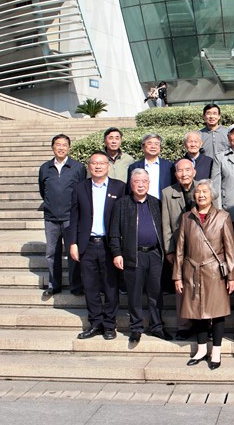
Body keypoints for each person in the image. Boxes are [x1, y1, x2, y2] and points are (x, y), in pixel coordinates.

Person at [174, 179, 234, 370]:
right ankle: (201, 349)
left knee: (216, 313)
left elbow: (230, 249)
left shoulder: (223, 217)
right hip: (191, 270)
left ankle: (216, 351)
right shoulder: (187, 217)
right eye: (198, 192)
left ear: (212, 195)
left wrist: (232, 276)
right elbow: (180, 249)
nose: (201, 195)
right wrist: (177, 275)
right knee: (197, 312)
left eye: (205, 192)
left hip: (215, 272)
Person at [109, 169, 172, 344]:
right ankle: (136, 328)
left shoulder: (156, 203)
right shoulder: (122, 204)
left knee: (155, 293)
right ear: (131, 184)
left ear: (149, 183)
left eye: (144, 181)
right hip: (133, 255)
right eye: (137, 181)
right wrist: (116, 253)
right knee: (134, 293)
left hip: (154, 254)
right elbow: (114, 232)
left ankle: (157, 326)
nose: (141, 185)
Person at [68, 152, 125, 340]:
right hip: (88, 244)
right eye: (94, 163)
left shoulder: (119, 187)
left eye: (102, 163)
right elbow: (74, 218)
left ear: (108, 166)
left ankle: (109, 324)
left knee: (110, 286)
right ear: (89, 166)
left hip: (110, 245)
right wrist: (73, 243)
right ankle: (95, 323)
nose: (98, 166)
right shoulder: (79, 188)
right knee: (90, 286)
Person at [38, 134, 86, 297]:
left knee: (73, 253)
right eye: (58, 144)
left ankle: (76, 285)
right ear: (52, 147)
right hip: (51, 218)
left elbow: (82, 191)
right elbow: (43, 191)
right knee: (52, 253)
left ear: (69, 148)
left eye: (64, 145)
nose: (61, 148)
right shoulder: (45, 168)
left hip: (70, 218)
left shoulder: (78, 167)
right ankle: (54, 285)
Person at [161, 158, 197, 340]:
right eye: (180, 171)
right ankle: (184, 325)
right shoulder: (168, 193)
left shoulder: (203, 188)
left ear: (194, 172)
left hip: (201, 247)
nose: (184, 174)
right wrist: (169, 250)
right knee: (181, 287)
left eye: (187, 170)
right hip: (179, 246)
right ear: (175, 174)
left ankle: (204, 324)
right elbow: (166, 223)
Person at [127, 133, 173, 200]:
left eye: (156, 144)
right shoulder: (134, 167)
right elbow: (130, 189)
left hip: (164, 203)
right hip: (141, 203)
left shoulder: (169, 166)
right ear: (143, 147)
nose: (153, 146)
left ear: (160, 147)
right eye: (149, 143)